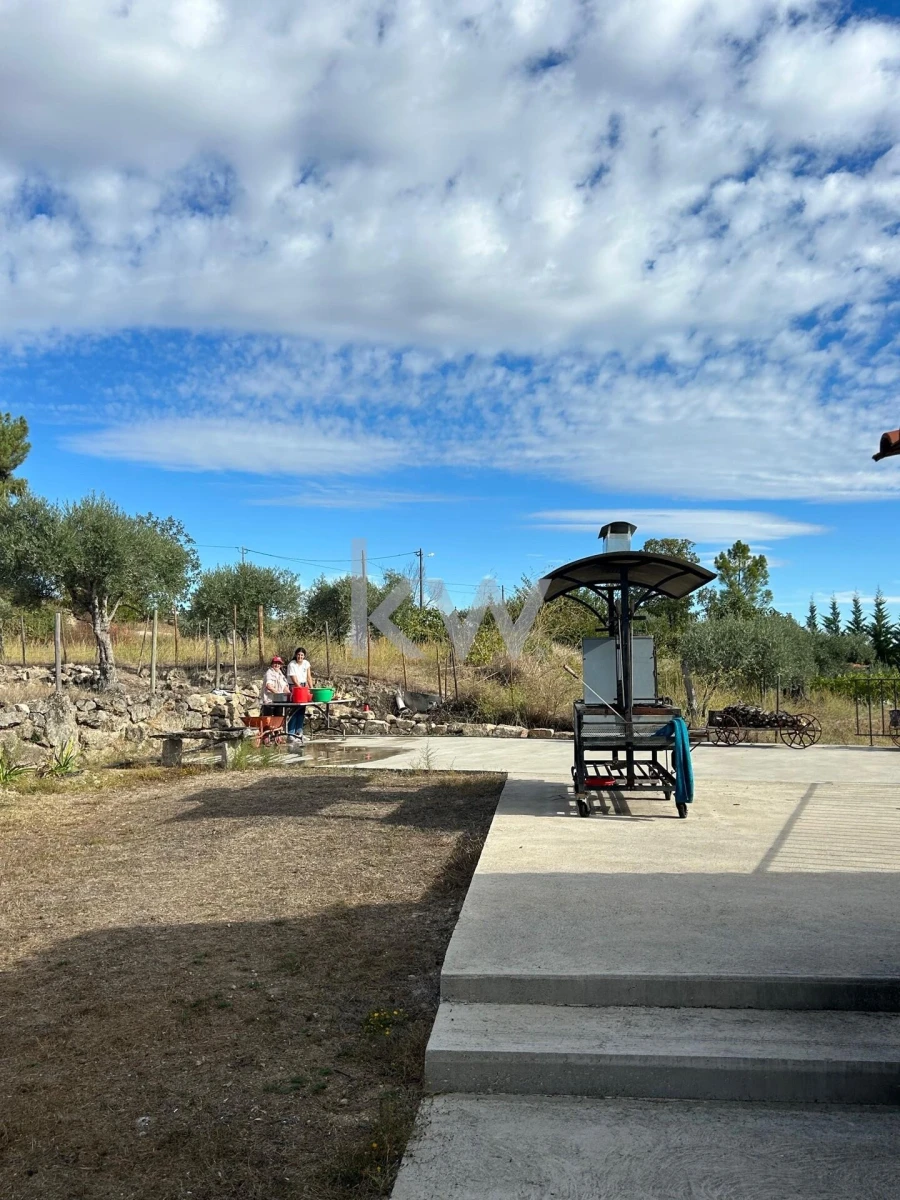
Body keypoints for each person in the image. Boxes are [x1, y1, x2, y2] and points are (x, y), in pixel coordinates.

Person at [286, 647, 314, 740]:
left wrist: (312, 689)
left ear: (304, 656)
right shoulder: (292, 664)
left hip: (303, 686)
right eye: (298, 655)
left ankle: (299, 732)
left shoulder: (306, 663)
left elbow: (309, 677)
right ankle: (291, 733)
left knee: (302, 709)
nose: (300, 656)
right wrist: (300, 689)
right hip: (294, 687)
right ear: (296, 655)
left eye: (302, 655)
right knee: (294, 709)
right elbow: (294, 679)